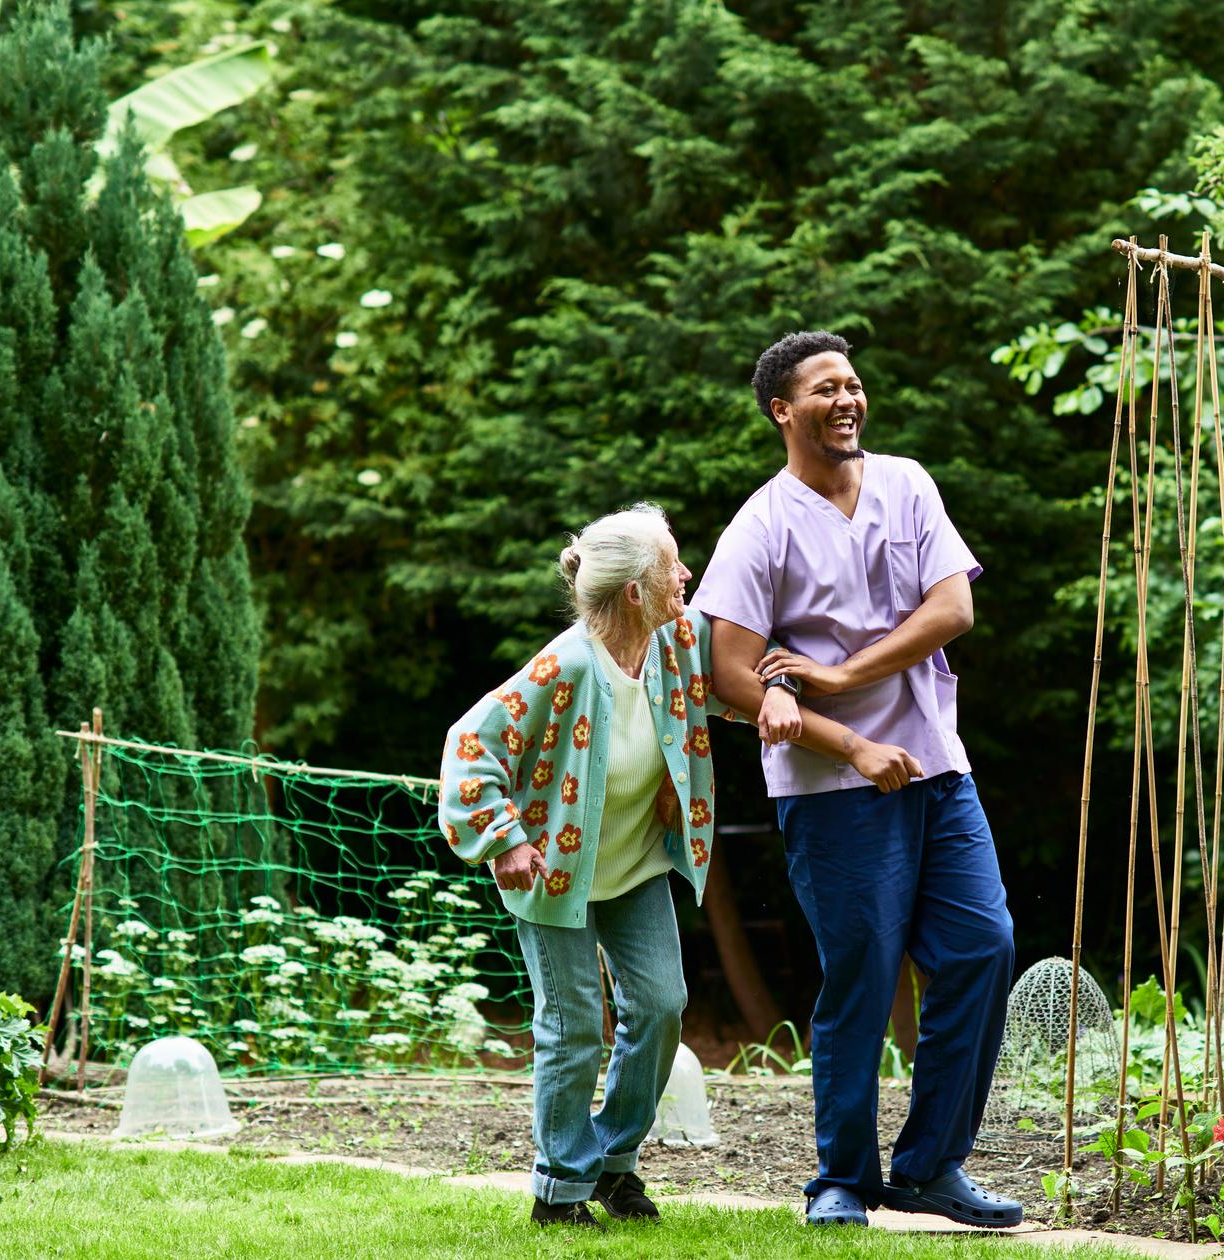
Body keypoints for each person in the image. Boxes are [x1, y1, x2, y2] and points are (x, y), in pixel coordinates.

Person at [693, 331, 1020, 1229]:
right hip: (832, 790)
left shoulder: (907, 484)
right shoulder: (761, 525)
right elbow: (730, 671)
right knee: (863, 979)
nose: (848, 399)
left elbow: (953, 606)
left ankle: (931, 1166)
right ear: (782, 411)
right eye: (825, 389)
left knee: (982, 948)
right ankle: (840, 1178)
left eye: (854, 384)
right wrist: (847, 740)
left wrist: (840, 675)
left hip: (936, 767)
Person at [436, 504, 799, 1229]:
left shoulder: (680, 642)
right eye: (672, 564)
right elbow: (469, 745)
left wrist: (783, 688)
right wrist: (504, 839)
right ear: (636, 590)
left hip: (633, 866)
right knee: (574, 1030)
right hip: (555, 875)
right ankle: (559, 1192)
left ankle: (610, 1162)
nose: (686, 574)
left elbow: (743, 672)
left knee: (661, 1008)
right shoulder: (567, 665)